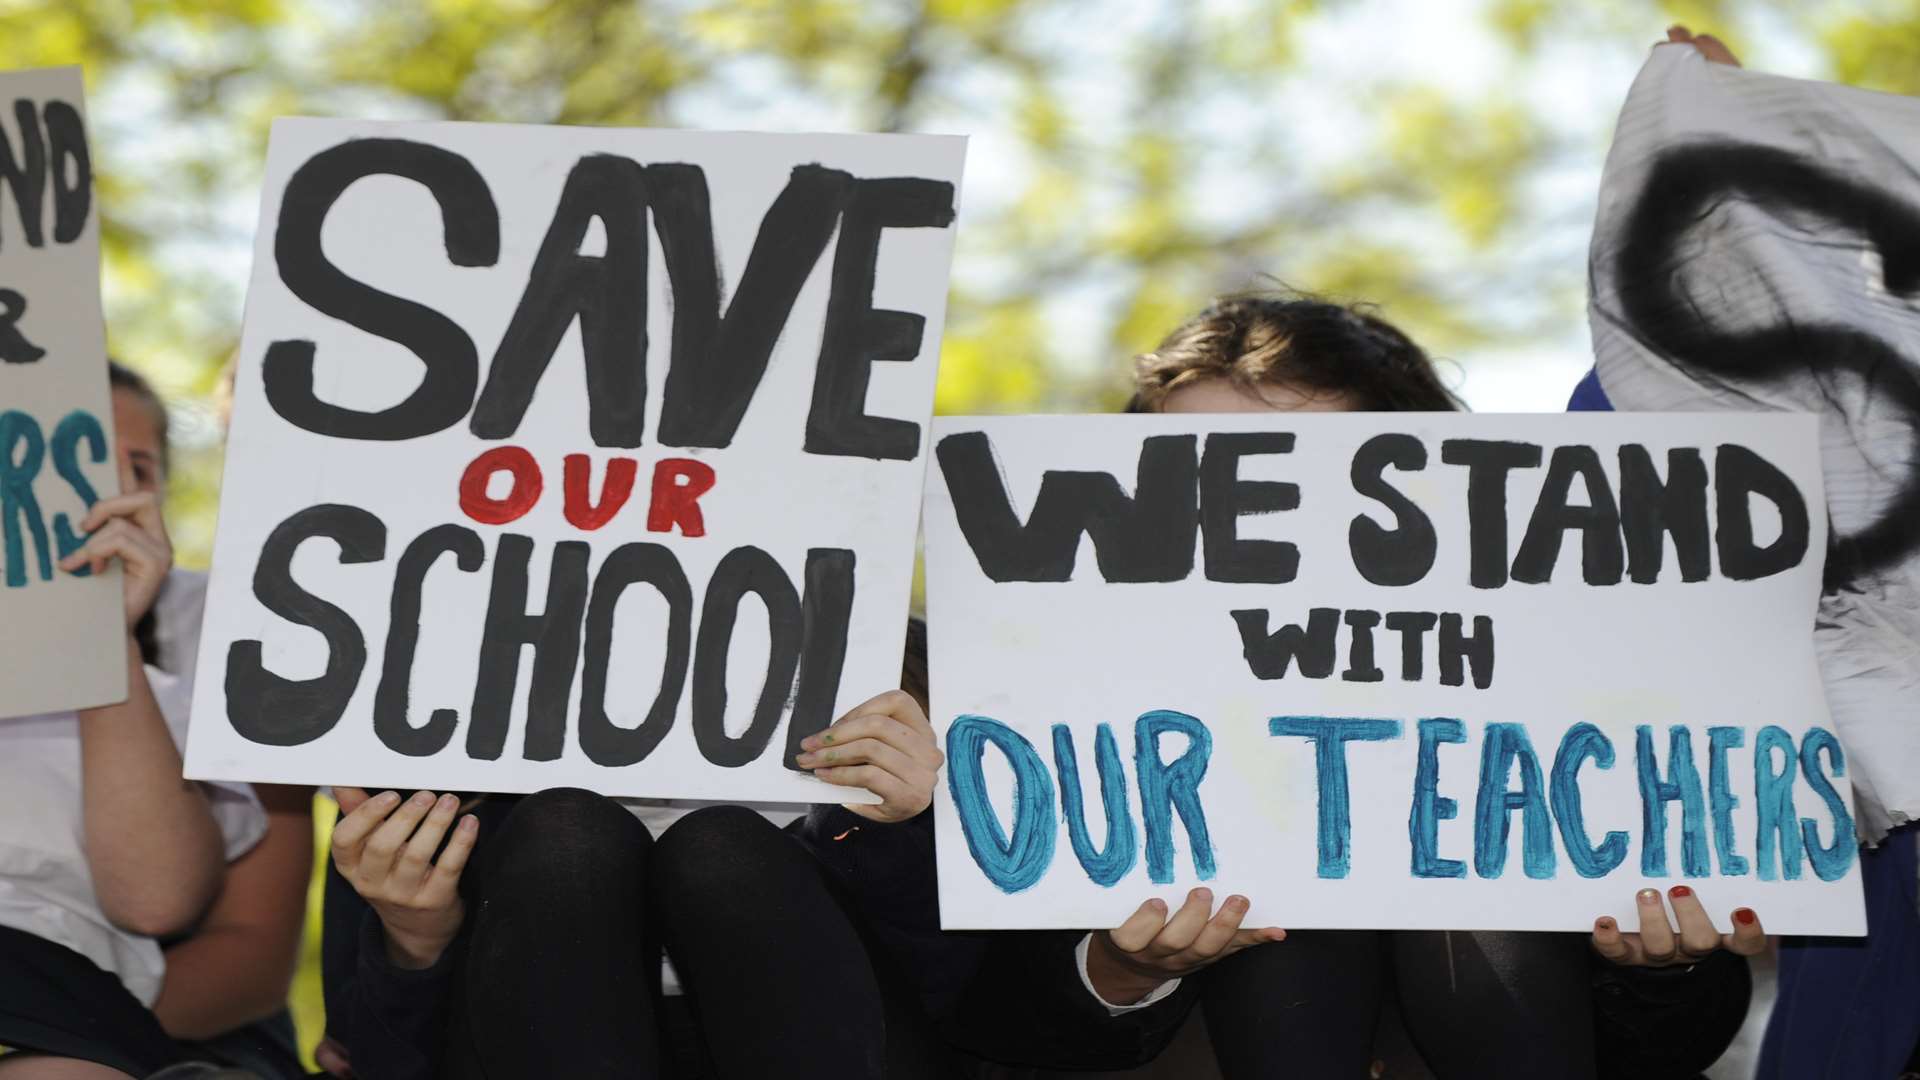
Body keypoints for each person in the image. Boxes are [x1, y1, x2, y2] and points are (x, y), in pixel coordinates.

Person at [1048, 291, 1761, 1080]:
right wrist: (1124, 968)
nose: (1238, 515)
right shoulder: (1062, 723)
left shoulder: (1574, 702)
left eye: (1288, 473)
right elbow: (987, 1009)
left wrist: (1662, 967)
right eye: (1196, 470)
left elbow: (1669, 1043)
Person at [318, 619, 953, 1080]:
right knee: (565, 836)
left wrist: (895, 834)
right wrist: (417, 938)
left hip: (857, 1041)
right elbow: (369, 1057)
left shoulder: (895, 696)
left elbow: (989, 1019)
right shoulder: (429, 733)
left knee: (723, 853)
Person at [0, 362, 310, 1079]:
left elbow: (199, 922)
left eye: (132, 466)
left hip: (101, 1018)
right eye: (61, 457)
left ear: (161, 492)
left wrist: (85, 1021)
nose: (99, 491)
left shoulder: (238, 636)